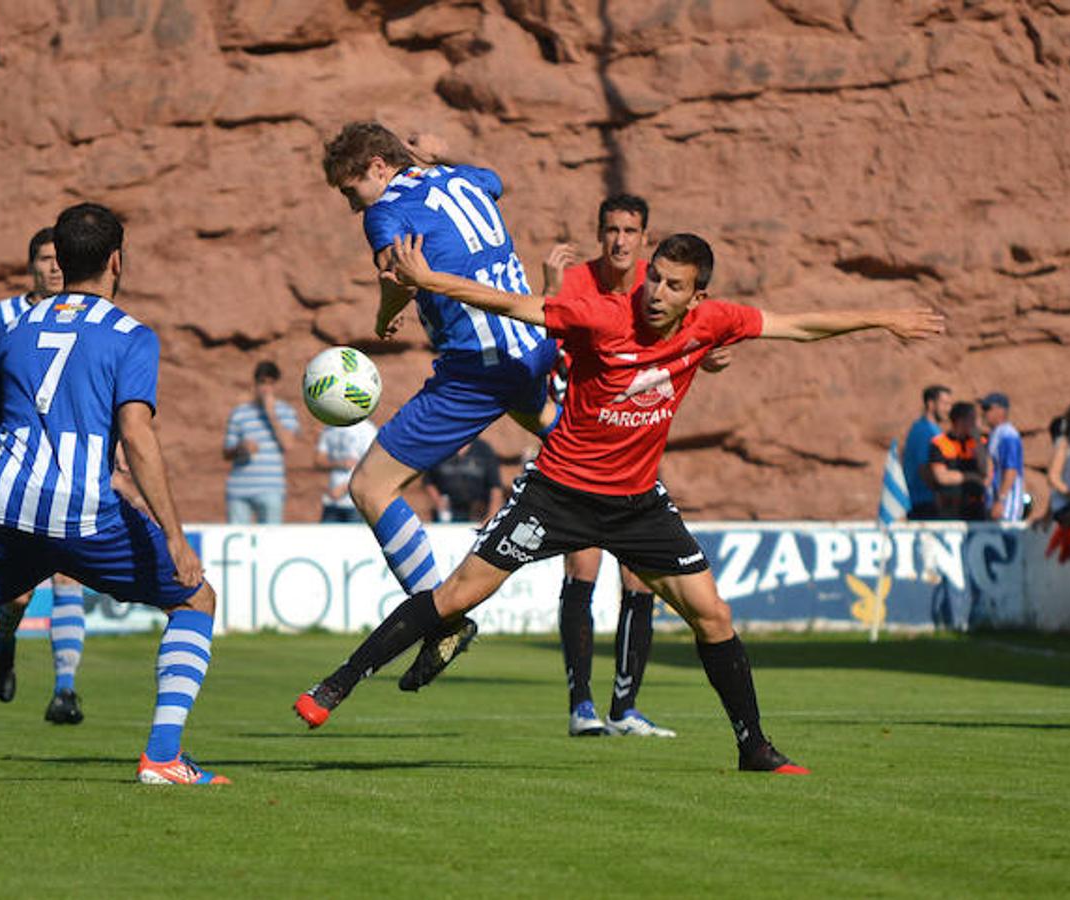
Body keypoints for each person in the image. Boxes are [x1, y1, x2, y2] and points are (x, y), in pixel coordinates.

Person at [294, 231, 943, 773]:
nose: (656, 292)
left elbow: (798, 326)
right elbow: (511, 305)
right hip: (556, 494)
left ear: (698, 296)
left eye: (672, 285)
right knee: (459, 595)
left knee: (712, 615)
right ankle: (339, 684)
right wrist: (430, 279)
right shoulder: (603, 315)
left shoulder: (715, 324)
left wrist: (882, 317)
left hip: (636, 504)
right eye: (654, 278)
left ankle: (754, 747)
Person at [0, 203, 228, 785]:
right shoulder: (132, 337)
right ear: (115, 262)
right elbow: (135, 433)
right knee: (195, 598)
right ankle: (161, 756)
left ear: (60, 259)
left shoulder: (11, 330)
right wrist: (175, 536)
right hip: (85, 513)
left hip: (3, 507)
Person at [321, 122, 558, 685]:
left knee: (369, 487)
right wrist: (444, 155)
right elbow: (496, 179)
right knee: (566, 438)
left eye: (353, 191)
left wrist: (383, 316)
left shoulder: (385, 212)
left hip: (477, 371)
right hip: (532, 347)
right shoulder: (461, 177)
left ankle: (443, 618)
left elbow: (399, 276)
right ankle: (638, 485)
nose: (355, 208)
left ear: (379, 167)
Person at [538, 194, 690, 738]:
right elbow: (544, 347)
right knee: (583, 567)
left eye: (630, 230)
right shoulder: (576, 282)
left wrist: (716, 354)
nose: (620, 240)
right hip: (582, 450)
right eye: (611, 229)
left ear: (645, 238)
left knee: (640, 578)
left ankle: (624, 709)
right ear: (599, 233)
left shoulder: (660, 282)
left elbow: (693, 333)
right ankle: (581, 706)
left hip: (634, 452)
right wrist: (551, 296)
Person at [0, 227, 90, 725]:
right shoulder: (4, 318)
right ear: (29, 265)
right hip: (14, 463)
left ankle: (66, 690)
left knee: (69, 570)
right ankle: (5, 637)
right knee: (18, 592)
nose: (53, 268)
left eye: (59, 259)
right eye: (43, 259)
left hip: (69, 465)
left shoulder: (85, 319)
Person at [223, 360, 299, 524]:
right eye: (262, 382)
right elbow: (226, 452)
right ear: (255, 384)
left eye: (271, 383)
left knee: (271, 543)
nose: (266, 388)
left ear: (277, 385)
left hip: (270, 489)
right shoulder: (240, 413)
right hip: (239, 490)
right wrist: (241, 447)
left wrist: (271, 413)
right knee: (238, 541)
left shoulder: (286, 411)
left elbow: (288, 444)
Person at [924, 402, 991, 520]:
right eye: (973, 419)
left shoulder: (980, 442)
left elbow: (985, 472)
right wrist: (972, 477)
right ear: (961, 421)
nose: (977, 423)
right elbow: (942, 477)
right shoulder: (940, 443)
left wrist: (977, 442)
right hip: (949, 507)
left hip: (977, 506)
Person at [902, 385, 953, 520]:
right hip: (925, 503)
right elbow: (924, 468)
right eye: (944, 404)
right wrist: (940, 496)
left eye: (950, 404)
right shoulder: (925, 431)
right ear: (931, 404)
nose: (948, 409)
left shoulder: (932, 429)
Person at [423, 438, 503, 523]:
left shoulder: (483, 449)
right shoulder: (441, 448)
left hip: (477, 514)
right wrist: (438, 500)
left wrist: (491, 517)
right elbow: (428, 480)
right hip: (447, 514)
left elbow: (495, 487)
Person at [316, 420, 377, 523]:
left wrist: (345, 488)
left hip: (355, 504)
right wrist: (340, 463)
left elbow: (372, 467)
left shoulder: (367, 429)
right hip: (332, 501)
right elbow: (319, 459)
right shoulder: (330, 428)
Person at [981, 392, 1025, 521]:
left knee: (1005, 539)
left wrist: (1001, 500)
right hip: (994, 502)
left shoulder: (1008, 434)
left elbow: (1010, 470)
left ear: (1001, 411)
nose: (984, 413)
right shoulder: (995, 433)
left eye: (988, 408)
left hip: (1007, 506)